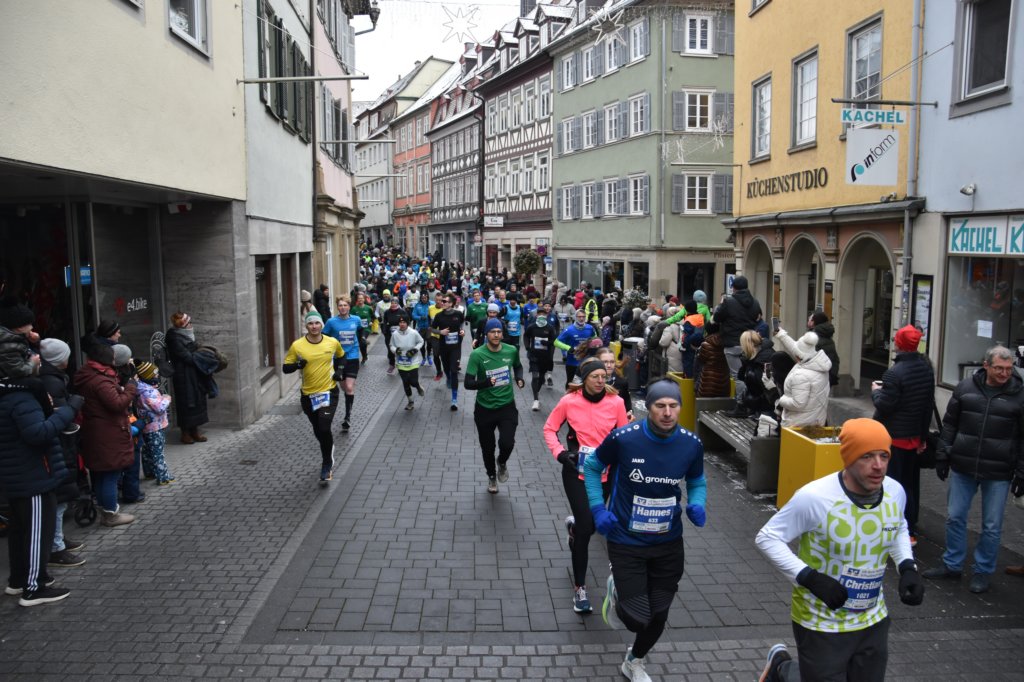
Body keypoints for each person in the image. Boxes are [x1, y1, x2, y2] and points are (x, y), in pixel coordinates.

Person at [756, 418, 924, 682]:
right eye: (867, 456)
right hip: (821, 621)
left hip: (872, 618)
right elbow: (768, 537)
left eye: (884, 456)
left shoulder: (895, 491)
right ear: (848, 459)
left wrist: (906, 566)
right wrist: (809, 577)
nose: (878, 465)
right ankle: (783, 668)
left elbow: (898, 525)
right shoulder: (814, 497)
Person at [585, 380, 706, 682]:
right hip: (627, 540)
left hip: (668, 541)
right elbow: (592, 466)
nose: (667, 412)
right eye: (660, 406)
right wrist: (598, 508)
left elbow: (696, 480)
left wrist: (697, 503)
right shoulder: (625, 439)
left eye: (673, 406)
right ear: (648, 408)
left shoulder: (691, 444)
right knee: (636, 619)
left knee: (659, 614)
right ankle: (617, 590)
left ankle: (634, 661)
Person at [923, 345, 1024, 594]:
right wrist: (942, 455)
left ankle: (983, 571)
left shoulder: (1020, 394)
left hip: (999, 470)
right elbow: (950, 424)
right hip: (964, 464)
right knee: (955, 516)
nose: (1004, 373)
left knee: (991, 525)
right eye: (999, 368)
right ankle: (952, 564)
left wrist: (1021, 471)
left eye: (1008, 369)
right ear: (986, 365)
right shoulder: (965, 388)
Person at [0, 323, 81, 606]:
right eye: (29, 355)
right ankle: (34, 587)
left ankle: (19, 581)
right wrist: (68, 411)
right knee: (37, 532)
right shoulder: (20, 395)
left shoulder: (10, 392)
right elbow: (37, 433)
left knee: (21, 530)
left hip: (22, 472)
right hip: (31, 472)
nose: (36, 358)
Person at [544, 358, 629, 614]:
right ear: (585, 379)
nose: (601, 380)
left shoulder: (616, 402)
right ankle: (580, 588)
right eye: (595, 376)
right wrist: (560, 453)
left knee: (590, 526)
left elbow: (624, 437)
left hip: (605, 475)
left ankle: (574, 529)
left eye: (604, 376)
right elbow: (549, 429)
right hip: (577, 474)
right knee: (585, 528)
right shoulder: (569, 401)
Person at [871, 325, 935, 545]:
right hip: (913, 437)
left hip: (895, 438)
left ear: (898, 343)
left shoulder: (894, 373)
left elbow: (885, 405)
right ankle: (910, 529)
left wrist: (876, 392)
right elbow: (927, 407)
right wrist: (922, 438)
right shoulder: (926, 370)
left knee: (892, 485)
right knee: (910, 484)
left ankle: (893, 529)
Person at [75, 338, 138, 527]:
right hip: (107, 432)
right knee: (110, 474)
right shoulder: (101, 381)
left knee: (103, 474)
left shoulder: (88, 375)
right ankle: (110, 514)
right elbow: (117, 404)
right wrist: (130, 387)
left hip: (97, 431)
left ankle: (106, 510)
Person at [37, 338, 86, 568]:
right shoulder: (52, 382)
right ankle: (56, 547)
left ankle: (58, 540)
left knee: (62, 498)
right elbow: (59, 418)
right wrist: (73, 405)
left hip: (61, 444)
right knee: (60, 497)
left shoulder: (53, 378)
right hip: (58, 444)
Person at [282, 311, 345, 484]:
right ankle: (328, 446)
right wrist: (297, 365)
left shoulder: (332, 342)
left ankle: (327, 463)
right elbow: (285, 368)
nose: (314, 326)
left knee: (324, 428)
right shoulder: (297, 345)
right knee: (318, 429)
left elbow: (342, 357)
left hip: (328, 392)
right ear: (306, 326)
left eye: (317, 323)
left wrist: (339, 371)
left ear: (321, 325)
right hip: (308, 395)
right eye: (310, 323)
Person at [464, 318, 524, 494]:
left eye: (499, 332)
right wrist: (486, 383)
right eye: (492, 332)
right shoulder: (477, 355)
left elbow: (518, 366)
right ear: (486, 334)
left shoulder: (511, 350)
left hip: (507, 406)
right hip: (484, 408)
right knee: (488, 448)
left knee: (507, 443)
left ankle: (502, 462)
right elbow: (468, 383)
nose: (496, 335)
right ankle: (491, 475)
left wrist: (519, 378)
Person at [166, 312, 209, 444]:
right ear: (183, 325)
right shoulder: (174, 338)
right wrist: (199, 358)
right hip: (183, 375)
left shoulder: (187, 335)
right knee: (186, 404)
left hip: (193, 374)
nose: (191, 324)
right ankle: (185, 433)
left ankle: (195, 431)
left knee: (197, 401)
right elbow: (186, 356)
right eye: (189, 322)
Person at [322, 296, 364, 432]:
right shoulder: (331, 322)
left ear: (349, 306)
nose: (343, 308)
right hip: (338, 359)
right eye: (340, 305)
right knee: (344, 387)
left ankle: (347, 417)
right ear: (337, 307)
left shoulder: (356, 320)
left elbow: (360, 331)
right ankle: (348, 400)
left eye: (345, 305)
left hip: (352, 357)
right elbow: (324, 337)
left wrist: (362, 341)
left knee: (350, 387)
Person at [774, 331, 831, 428]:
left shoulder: (801, 376)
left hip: (798, 424)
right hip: (816, 421)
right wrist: (781, 335)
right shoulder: (818, 364)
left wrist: (781, 400)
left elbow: (797, 404)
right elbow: (795, 348)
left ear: (798, 356)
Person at [712, 276, 762, 383]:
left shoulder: (728, 302)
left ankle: (740, 394)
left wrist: (721, 305)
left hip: (732, 343)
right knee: (749, 375)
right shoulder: (755, 302)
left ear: (733, 288)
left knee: (737, 376)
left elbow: (716, 318)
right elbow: (758, 318)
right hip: (750, 344)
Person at [133, 360, 174, 486]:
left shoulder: (141, 388)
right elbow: (159, 408)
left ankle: (149, 472)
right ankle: (163, 477)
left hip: (146, 425)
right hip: (155, 426)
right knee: (158, 452)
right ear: (148, 377)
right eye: (155, 375)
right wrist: (166, 399)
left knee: (147, 451)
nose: (157, 376)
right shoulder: (149, 392)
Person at [726, 330, 775, 418]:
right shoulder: (755, 356)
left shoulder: (763, 358)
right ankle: (745, 408)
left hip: (768, 405)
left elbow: (761, 385)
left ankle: (746, 408)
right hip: (763, 402)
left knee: (751, 376)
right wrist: (745, 361)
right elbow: (741, 377)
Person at [432, 292, 466, 411]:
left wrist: (462, 331)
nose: (442, 303)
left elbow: (462, 324)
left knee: (454, 371)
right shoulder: (439, 316)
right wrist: (440, 332)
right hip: (444, 347)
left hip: (456, 347)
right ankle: (447, 377)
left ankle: (454, 400)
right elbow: (431, 329)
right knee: (447, 369)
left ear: (451, 303)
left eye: (444, 301)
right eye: (442, 301)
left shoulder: (458, 314)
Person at [554, 309, 597, 390]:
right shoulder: (569, 330)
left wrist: (593, 348)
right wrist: (568, 348)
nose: (581, 319)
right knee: (570, 382)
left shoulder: (590, 328)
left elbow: (595, 340)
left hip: (586, 361)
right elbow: (556, 342)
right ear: (575, 317)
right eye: (579, 317)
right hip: (572, 362)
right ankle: (567, 396)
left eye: (583, 317)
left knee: (585, 383)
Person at [389, 317, 425, 410]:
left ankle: (417, 386)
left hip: (413, 361)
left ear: (407, 323)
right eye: (400, 322)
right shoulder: (395, 334)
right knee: (405, 382)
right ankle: (410, 402)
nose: (402, 324)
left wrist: (415, 349)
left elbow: (421, 341)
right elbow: (391, 345)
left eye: (404, 322)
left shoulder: (413, 332)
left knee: (413, 381)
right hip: (401, 362)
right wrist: (395, 350)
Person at [524, 311, 557, 411]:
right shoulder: (532, 326)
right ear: (536, 315)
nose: (541, 316)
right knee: (535, 376)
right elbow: (526, 336)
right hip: (534, 356)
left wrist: (547, 343)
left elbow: (554, 341)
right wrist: (527, 346)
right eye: (539, 314)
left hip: (545, 357)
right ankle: (535, 400)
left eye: (544, 314)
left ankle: (537, 392)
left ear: (547, 316)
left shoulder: (550, 328)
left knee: (541, 378)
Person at [598, 346, 633, 420]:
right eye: (605, 362)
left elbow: (626, 400)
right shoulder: (589, 381)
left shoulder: (621, 382)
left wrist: (629, 412)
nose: (609, 365)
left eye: (612, 362)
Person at [808, 311, 840, 387]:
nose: (808, 321)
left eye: (810, 319)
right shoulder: (826, 336)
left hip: (817, 377)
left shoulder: (814, 338)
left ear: (814, 322)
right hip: (827, 375)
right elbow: (835, 359)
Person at [381, 295, 411, 375]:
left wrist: (404, 329)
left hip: (400, 333)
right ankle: (392, 364)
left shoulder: (402, 312)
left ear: (397, 304)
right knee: (390, 349)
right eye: (392, 303)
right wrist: (384, 331)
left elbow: (407, 321)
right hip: (390, 333)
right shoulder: (387, 312)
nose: (393, 304)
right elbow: (384, 322)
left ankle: (401, 364)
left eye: (395, 303)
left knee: (400, 349)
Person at [350, 292, 374, 362]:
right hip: (357, 328)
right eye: (359, 298)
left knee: (362, 340)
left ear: (364, 299)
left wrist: (371, 321)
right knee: (360, 343)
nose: (360, 300)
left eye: (362, 298)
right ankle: (365, 355)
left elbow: (373, 316)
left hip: (366, 328)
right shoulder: (354, 309)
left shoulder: (368, 308)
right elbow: (351, 318)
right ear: (357, 299)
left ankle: (364, 356)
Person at [411, 292, 432, 365]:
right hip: (420, 328)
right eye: (422, 298)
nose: (424, 299)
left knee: (429, 343)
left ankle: (429, 356)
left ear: (427, 298)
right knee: (422, 344)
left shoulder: (431, 304)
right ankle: (424, 358)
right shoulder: (417, 305)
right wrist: (420, 317)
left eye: (425, 298)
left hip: (429, 327)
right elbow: (413, 315)